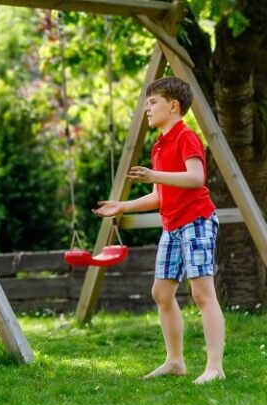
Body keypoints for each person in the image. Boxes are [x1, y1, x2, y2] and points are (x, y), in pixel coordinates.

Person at [93, 76, 225, 384]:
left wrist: (155, 174)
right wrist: (121, 206)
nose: (147, 109)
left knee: (202, 294)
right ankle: (175, 361)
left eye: (152, 102)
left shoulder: (186, 137)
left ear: (174, 106)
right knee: (161, 292)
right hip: (173, 225)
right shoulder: (159, 145)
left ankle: (215, 367)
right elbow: (159, 194)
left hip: (197, 220)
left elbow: (196, 178)